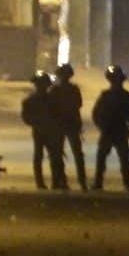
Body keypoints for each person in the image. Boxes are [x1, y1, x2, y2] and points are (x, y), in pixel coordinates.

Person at [91, 65, 129, 192]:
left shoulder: (122, 95)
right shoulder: (110, 95)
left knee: (121, 159)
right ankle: (101, 182)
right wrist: (101, 126)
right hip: (112, 130)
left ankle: (122, 183)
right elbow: (95, 113)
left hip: (117, 130)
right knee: (105, 158)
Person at [21, 71, 64, 190]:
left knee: (51, 156)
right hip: (41, 131)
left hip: (49, 131)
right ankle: (44, 183)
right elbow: (26, 117)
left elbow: (59, 115)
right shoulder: (30, 101)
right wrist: (36, 123)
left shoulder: (52, 100)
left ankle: (53, 182)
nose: (41, 86)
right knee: (45, 156)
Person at [49, 63, 86, 191]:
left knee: (58, 153)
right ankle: (79, 181)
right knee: (75, 153)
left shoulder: (55, 89)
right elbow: (79, 104)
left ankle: (59, 180)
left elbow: (51, 107)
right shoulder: (72, 89)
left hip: (62, 124)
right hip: (70, 123)